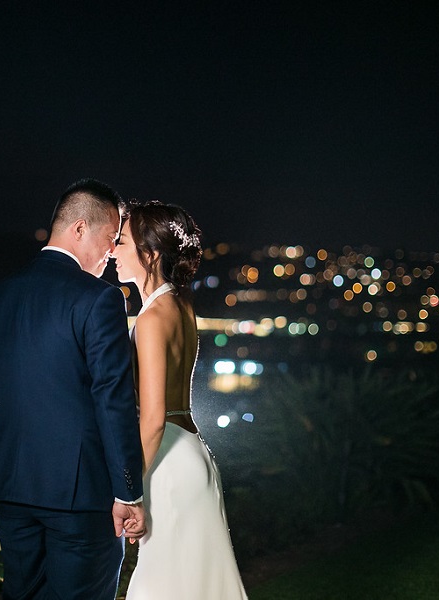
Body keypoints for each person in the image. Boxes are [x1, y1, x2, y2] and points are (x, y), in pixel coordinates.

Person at [0, 179, 146, 600]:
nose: (110, 253)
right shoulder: (99, 299)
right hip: (81, 497)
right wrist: (127, 491)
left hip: (12, 488)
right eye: (110, 239)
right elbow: (113, 399)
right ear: (80, 228)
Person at [112, 201, 248, 599]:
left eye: (121, 242)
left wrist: (128, 492)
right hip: (191, 450)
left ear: (150, 253)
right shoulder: (181, 304)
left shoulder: (153, 319)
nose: (113, 250)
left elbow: (152, 419)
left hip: (166, 459)